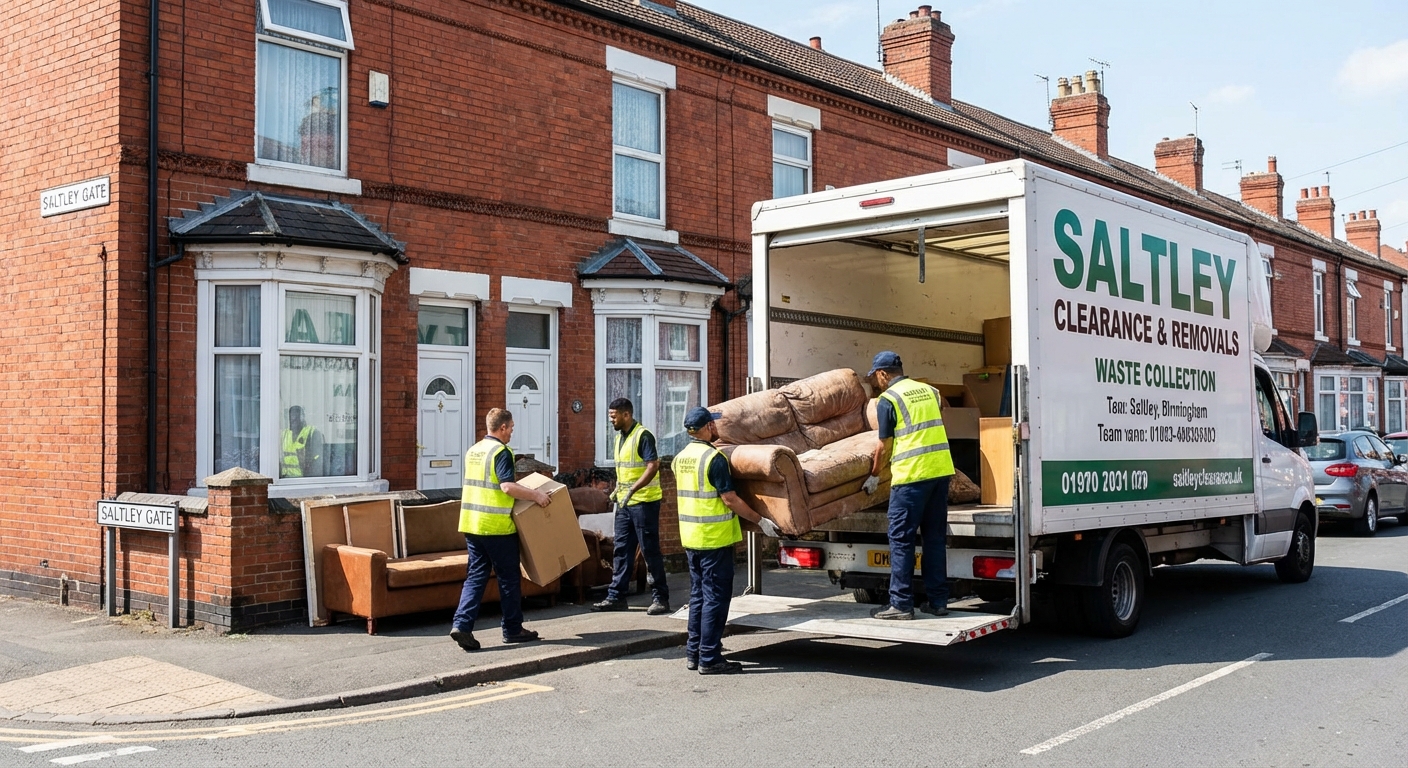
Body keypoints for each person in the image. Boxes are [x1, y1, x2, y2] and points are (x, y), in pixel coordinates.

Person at [674, 406, 776, 675]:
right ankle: (710, 658)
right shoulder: (714, 459)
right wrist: (759, 520)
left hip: (691, 538)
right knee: (715, 600)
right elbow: (729, 499)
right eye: (713, 425)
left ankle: (693, 653)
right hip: (714, 541)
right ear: (707, 427)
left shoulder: (680, 458)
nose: (716, 429)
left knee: (698, 597)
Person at [862, 351, 956, 620]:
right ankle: (938, 602)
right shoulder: (930, 391)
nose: (876, 382)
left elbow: (884, 444)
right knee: (934, 539)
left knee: (901, 541)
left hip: (911, 478)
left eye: (876, 377)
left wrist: (874, 474)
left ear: (882, 374)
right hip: (939, 473)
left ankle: (901, 604)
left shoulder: (887, 400)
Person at [450, 408, 552, 651]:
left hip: (472, 525)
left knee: (476, 576)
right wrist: (537, 495)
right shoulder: (501, 452)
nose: (512, 433)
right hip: (496, 527)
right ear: (503, 427)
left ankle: (462, 625)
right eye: (511, 428)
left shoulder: (474, 451)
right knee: (508, 579)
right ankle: (513, 629)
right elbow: (506, 487)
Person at [592, 398, 671, 615]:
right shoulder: (620, 438)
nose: (611, 420)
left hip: (644, 503)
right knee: (622, 550)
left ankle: (660, 598)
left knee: (649, 550)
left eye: (614, 416)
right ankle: (616, 596)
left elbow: (653, 466)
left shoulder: (643, 436)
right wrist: (617, 492)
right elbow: (624, 471)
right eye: (610, 416)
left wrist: (633, 489)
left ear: (626, 415)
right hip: (626, 504)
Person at [280, 406, 322, 478]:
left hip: (304, 480)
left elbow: (317, 461)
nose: (293, 420)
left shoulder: (312, 433)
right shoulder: (284, 434)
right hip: (285, 479)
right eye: (291, 418)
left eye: (296, 418)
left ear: (302, 418)